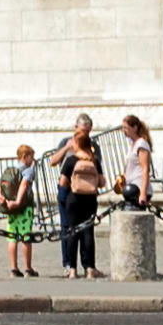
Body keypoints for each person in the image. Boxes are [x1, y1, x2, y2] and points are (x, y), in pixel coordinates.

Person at [57, 118, 104, 275]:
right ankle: (90, 268)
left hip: (73, 199)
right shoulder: (94, 160)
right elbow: (102, 182)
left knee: (72, 232)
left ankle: (72, 269)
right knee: (88, 233)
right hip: (90, 199)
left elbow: (63, 183)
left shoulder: (71, 160)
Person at [0, 142, 41, 279]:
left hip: (10, 209)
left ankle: (13, 268)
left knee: (12, 237)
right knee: (25, 237)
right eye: (31, 157)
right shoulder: (28, 170)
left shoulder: (10, 170)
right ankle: (28, 269)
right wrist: (17, 202)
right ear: (25, 156)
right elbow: (24, 185)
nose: (32, 160)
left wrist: (3, 200)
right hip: (24, 208)